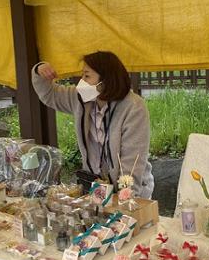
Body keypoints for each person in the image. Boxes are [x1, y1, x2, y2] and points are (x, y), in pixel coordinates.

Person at [32, 51, 154, 199]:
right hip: (96, 187)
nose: (81, 82)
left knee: (123, 220)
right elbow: (49, 94)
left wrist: (125, 198)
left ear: (106, 80)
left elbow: (132, 162)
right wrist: (39, 70)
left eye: (87, 76)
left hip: (129, 191)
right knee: (97, 217)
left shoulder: (134, 107)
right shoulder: (80, 98)